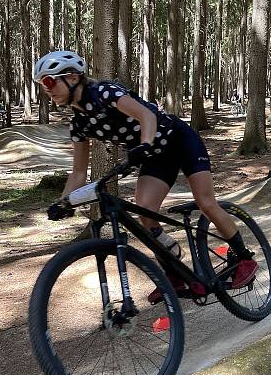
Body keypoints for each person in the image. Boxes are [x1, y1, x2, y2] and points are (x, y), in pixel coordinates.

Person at [33, 50, 258, 301]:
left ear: (73, 78)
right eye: (43, 85)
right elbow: (78, 173)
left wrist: (145, 144)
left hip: (180, 141)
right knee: (144, 212)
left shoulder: (105, 93)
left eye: (49, 82)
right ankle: (173, 271)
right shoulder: (79, 124)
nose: (47, 89)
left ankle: (244, 258)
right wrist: (64, 202)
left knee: (206, 203)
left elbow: (146, 115)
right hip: (154, 155)